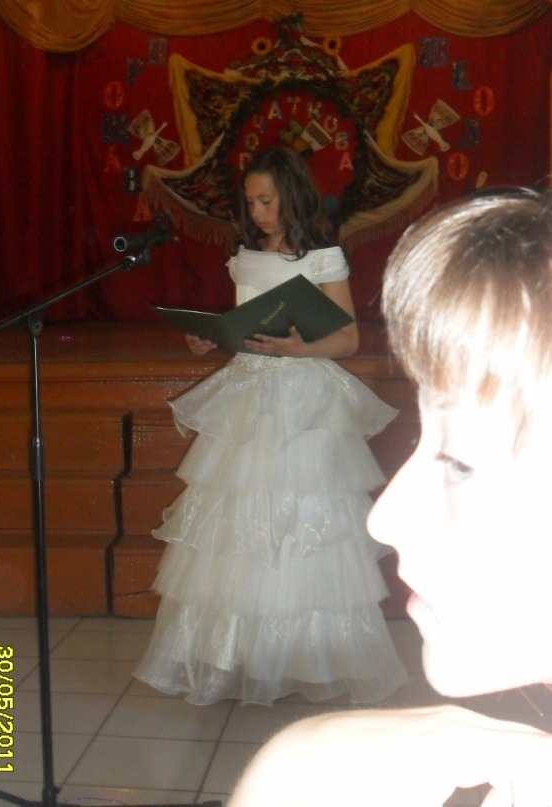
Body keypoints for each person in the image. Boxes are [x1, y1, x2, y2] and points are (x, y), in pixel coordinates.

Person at [228, 188, 552, 804]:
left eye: (460, 461)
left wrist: (287, 774)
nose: (383, 519)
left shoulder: (321, 258)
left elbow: (342, 336)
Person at [133, 145, 407, 706]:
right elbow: (244, 326)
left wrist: (300, 348)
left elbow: (348, 339)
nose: (257, 212)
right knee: (242, 526)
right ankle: (245, 655)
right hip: (251, 395)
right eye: (251, 202)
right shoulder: (245, 255)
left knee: (303, 521)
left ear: (292, 197)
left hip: (305, 399)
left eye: (267, 201)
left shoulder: (323, 257)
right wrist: (209, 338)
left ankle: (307, 654)